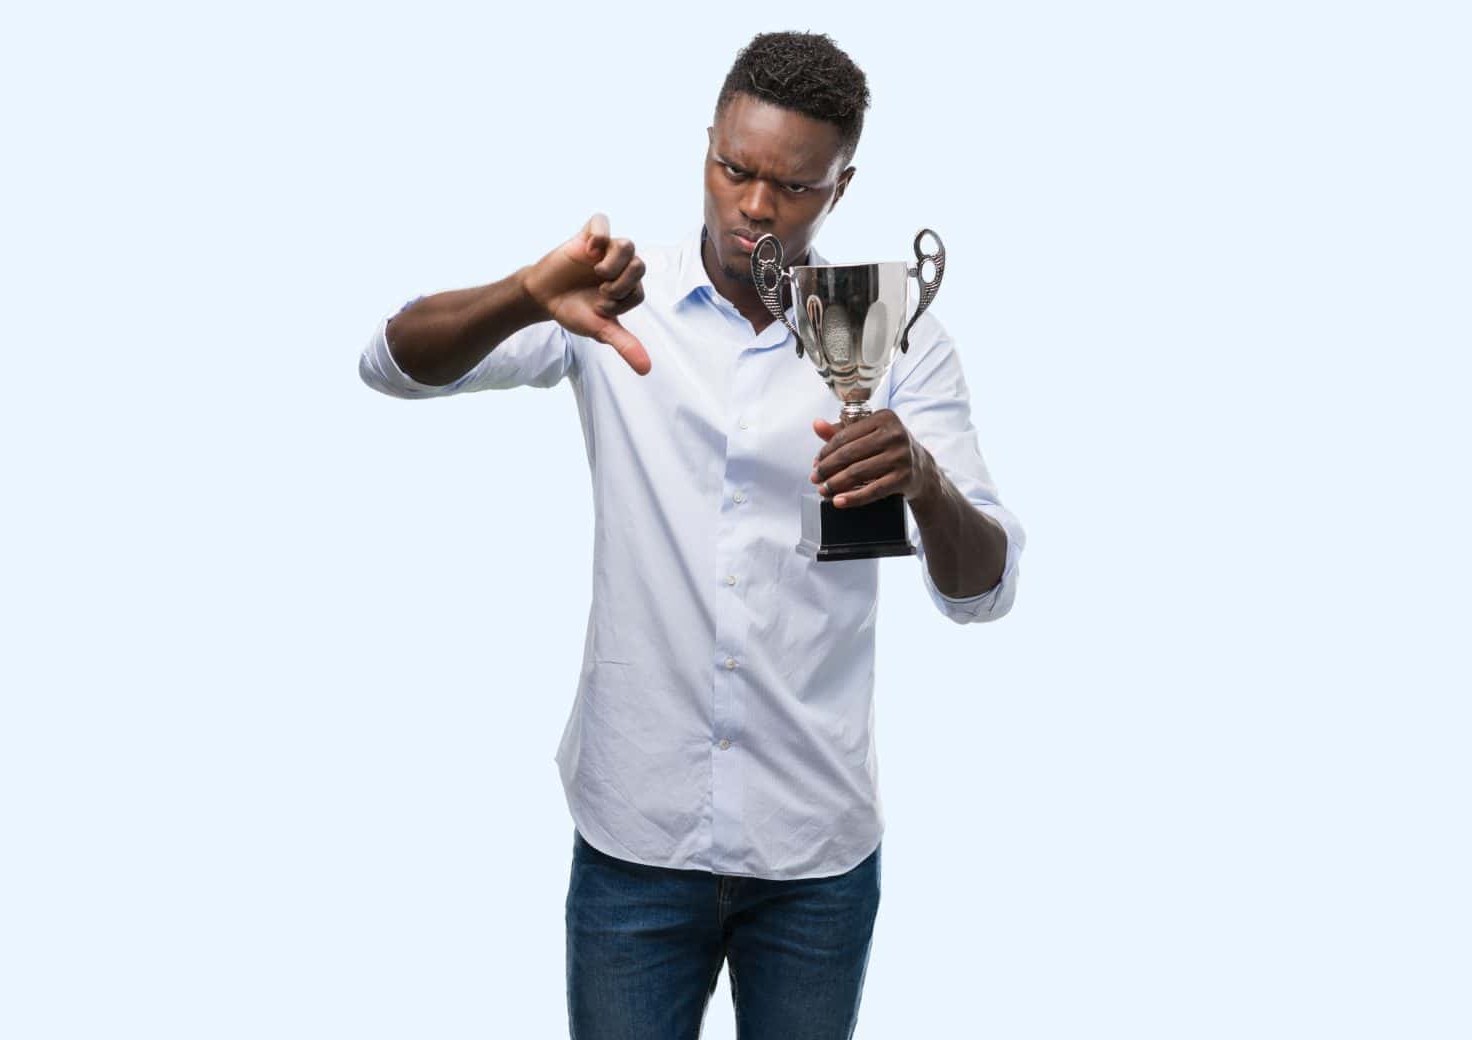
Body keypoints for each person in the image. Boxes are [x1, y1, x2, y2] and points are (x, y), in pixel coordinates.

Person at [358, 30, 1024, 1040]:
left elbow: (983, 589)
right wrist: (524, 295)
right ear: (707, 144)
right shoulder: (612, 292)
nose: (755, 204)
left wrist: (924, 478)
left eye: (794, 186)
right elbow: (389, 361)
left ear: (842, 187)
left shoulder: (897, 337)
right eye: (734, 168)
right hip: (636, 834)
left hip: (814, 854)